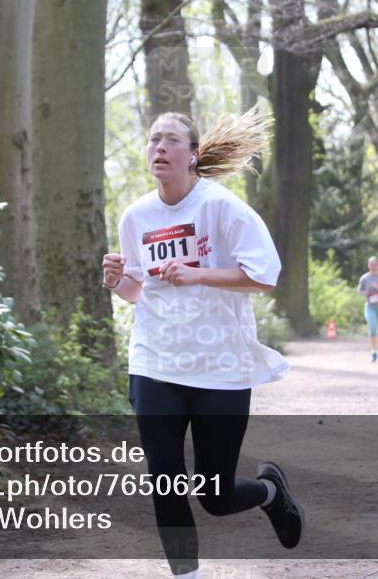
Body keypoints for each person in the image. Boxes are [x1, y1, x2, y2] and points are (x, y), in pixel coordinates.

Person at [100, 106, 303, 579]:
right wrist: (116, 281)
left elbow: (264, 276)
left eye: (171, 140)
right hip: (155, 363)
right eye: (154, 139)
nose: (160, 147)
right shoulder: (136, 216)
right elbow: (137, 290)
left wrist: (198, 274)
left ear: (192, 155)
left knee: (215, 497)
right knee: (164, 478)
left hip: (220, 366)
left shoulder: (222, 207)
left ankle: (271, 493)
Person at [357, 256, 378, 363]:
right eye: (371, 264)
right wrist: (364, 293)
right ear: (368, 265)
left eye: (375, 264)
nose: (373, 266)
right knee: (372, 328)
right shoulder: (364, 278)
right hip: (370, 305)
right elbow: (359, 290)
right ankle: (373, 351)